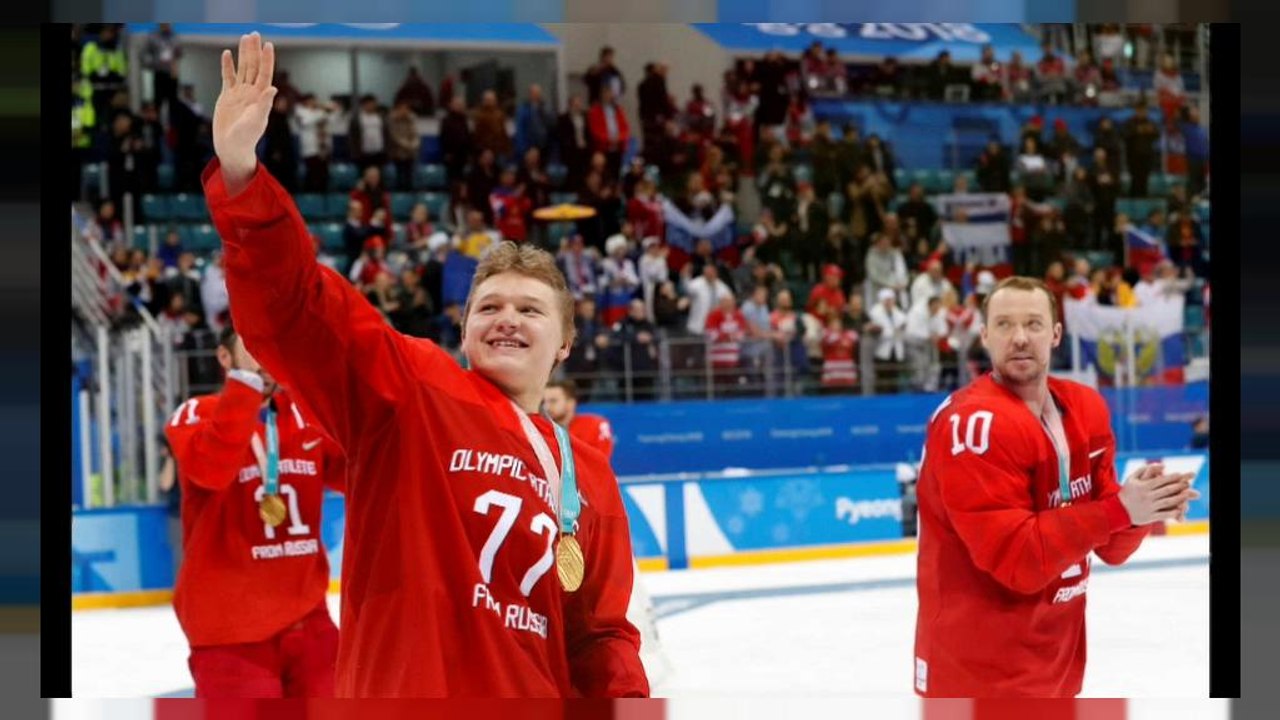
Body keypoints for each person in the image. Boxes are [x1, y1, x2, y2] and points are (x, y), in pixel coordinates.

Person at [203, 33, 648, 698]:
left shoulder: (586, 478)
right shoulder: (410, 388)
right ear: (462, 329)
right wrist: (242, 177)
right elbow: (298, 311)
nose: (506, 318)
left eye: (530, 310)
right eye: (489, 306)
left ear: (565, 343)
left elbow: (601, 638)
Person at [913, 276, 1199, 698]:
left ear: (1056, 334)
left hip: (1056, 665)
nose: (1021, 337)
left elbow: (1111, 548)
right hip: (975, 673)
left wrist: (1143, 509)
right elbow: (1019, 561)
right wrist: (1121, 510)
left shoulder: (1084, 407)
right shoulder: (973, 424)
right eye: (1005, 325)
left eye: (1033, 323)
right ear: (985, 335)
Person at [164, 326, 345, 698]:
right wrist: (246, 382)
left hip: (310, 621)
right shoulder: (196, 413)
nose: (265, 356)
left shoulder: (305, 416)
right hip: (229, 631)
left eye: (271, 346)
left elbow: (359, 473)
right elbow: (210, 468)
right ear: (224, 358)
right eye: (252, 346)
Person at [543, 379, 675, 687]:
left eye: (555, 400)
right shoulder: (542, 434)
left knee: (627, 597)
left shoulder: (592, 426)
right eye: (546, 400)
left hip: (597, 528)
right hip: (560, 535)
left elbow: (588, 464)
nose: (549, 406)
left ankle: (649, 660)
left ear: (572, 402)